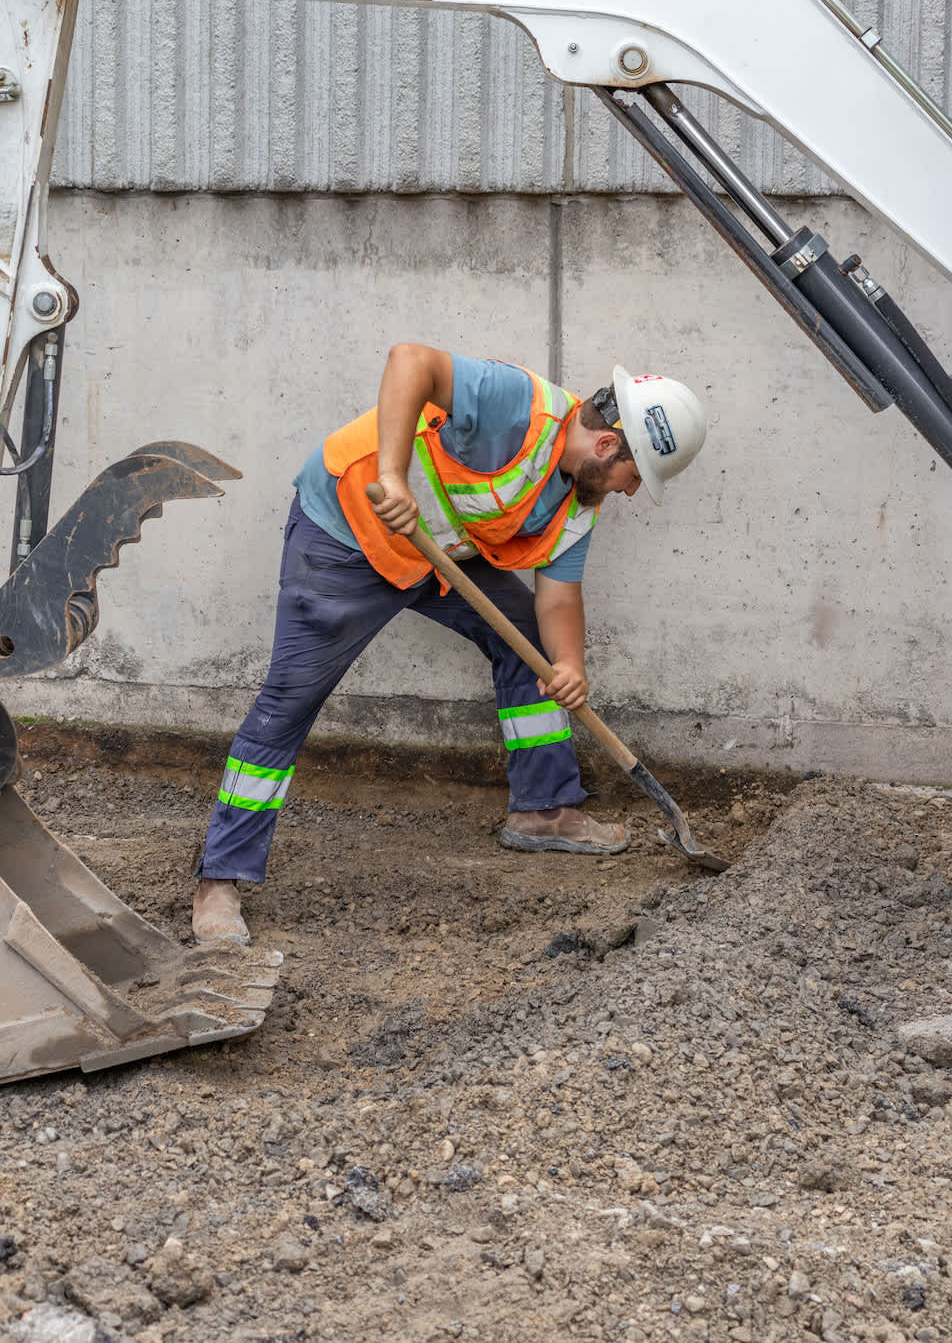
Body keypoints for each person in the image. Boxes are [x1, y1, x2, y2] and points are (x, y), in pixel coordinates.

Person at [193, 345, 706, 944]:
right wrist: (391, 474)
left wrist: (567, 664)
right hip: (349, 533)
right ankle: (219, 878)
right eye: (635, 476)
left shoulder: (575, 502)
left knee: (529, 646)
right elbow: (410, 360)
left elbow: (559, 598)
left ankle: (542, 810)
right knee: (290, 699)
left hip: (439, 555)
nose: (631, 492)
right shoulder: (520, 408)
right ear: (608, 446)